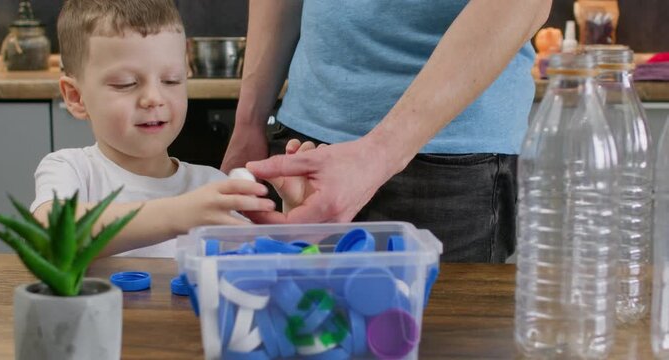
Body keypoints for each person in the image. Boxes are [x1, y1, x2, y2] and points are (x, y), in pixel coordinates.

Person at [221, 1, 553, 262]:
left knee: (428, 342)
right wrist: (249, 122)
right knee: (298, 333)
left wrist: (379, 154)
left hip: (447, 158)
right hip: (302, 142)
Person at [30, 0, 314, 257]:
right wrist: (179, 215)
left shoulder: (211, 186)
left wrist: (296, 216)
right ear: (76, 98)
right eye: (126, 83)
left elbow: (259, 272)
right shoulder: (71, 170)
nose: (154, 98)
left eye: (171, 80)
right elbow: (53, 233)